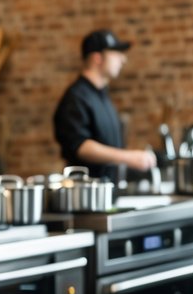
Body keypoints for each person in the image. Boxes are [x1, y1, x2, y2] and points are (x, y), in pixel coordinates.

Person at [53, 29, 156, 184]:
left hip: (109, 191)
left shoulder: (102, 96)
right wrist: (128, 157)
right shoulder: (76, 98)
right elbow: (80, 146)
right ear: (97, 58)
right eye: (116, 53)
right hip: (87, 196)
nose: (123, 60)